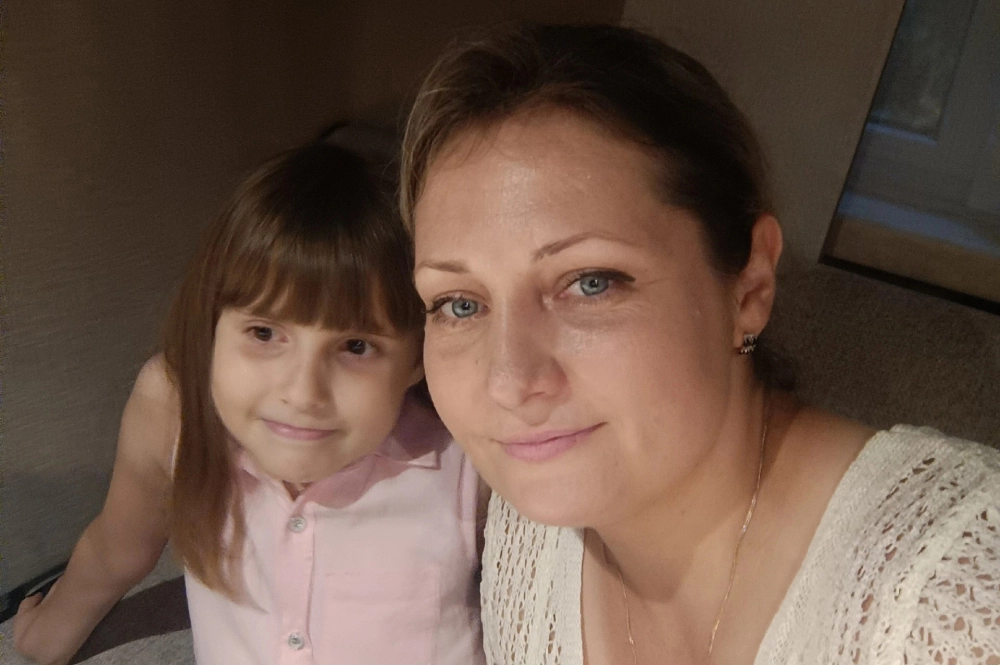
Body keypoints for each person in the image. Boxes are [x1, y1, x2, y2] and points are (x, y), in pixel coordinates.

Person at [401, 23, 1000, 665]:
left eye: (591, 283)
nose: (509, 382)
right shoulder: (528, 529)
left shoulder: (960, 603)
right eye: (459, 304)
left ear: (749, 288)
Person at [14, 141, 486, 665]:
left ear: (418, 356)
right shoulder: (173, 412)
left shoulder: (466, 459)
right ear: (213, 324)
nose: (302, 393)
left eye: (356, 347)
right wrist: (47, 635)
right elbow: (119, 545)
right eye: (264, 333)